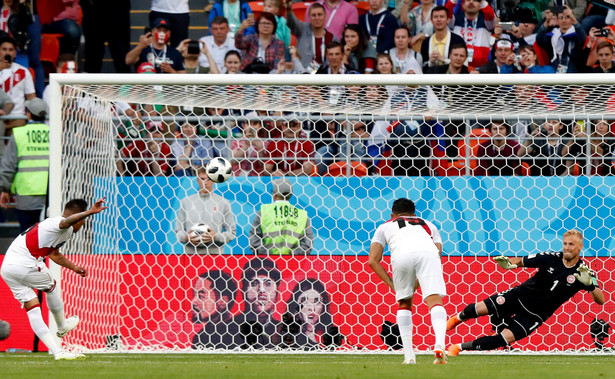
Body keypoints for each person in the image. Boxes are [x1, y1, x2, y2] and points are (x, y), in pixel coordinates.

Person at [447, 229, 606, 356]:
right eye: (565, 243)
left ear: (580, 246)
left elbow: (601, 300)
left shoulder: (584, 272)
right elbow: (522, 261)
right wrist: (510, 265)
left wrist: (590, 285)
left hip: (535, 315)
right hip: (519, 296)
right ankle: (455, 320)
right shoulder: (550, 257)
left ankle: (458, 347)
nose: (567, 247)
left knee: (502, 339)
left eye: (571, 244)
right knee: (475, 309)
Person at [0, 197, 108, 360]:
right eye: (83, 220)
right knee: (51, 286)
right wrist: (90, 212)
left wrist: (74, 268)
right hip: (24, 263)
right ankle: (62, 326)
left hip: (8, 269)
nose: (82, 225)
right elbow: (66, 222)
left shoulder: (56, 230)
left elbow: (55, 254)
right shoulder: (57, 223)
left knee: (33, 309)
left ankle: (57, 352)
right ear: (79, 217)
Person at [368, 198, 447, 365]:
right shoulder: (429, 224)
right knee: (434, 300)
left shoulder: (385, 226)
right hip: (428, 253)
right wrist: (420, 282)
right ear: (415, 214)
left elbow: (373, 260)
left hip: (401, 255)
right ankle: (440, 344)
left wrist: (393, 285)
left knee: (404, 302)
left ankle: (409, 356)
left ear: (392, 214)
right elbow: (437, 252)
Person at [0, 98, 49, 232]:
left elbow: (8, 166)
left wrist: (5, 189)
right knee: (49, 237)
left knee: (27, 237)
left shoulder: (19, 134)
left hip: (26, 194)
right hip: (50, 193)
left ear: (28, 114)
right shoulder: (54, 133)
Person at [174, 166, 237, 255]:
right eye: (202, 179)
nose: (206, 182)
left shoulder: (223, 202)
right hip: (190, 254)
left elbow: (231, 232)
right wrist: (186, 237)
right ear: (197, 180)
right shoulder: (186, 202)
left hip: (215, 255)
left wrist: (215, 237)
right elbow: (178, 230)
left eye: (209, 179)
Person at [249, 178, 313, 256]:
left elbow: (254, 238)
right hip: (294, 264)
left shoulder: (263, 211)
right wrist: (291, 256)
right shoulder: (302, 215)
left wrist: (269, 255)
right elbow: (307, 243)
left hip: (267, 264)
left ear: (274, 194)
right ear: (290, 195)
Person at [232, 258, 283, 349]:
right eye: (254, 283)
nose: (261, 290)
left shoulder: (284, 330)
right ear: (244, 290)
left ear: (277, 292)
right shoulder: (227, 328)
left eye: (268, 284)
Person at [284, 278, 339, 349]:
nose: (312, 308)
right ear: (295, 305)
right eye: (304, 301)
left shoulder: (329, 336)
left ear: (324, 306)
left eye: (317, 301)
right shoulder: (288, 339)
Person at [191, 270, 238, 349]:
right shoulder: (200, 337)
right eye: (194, 295)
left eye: (201, 296)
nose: (193, 302)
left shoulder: (239, 333)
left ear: (223, 301)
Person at [284, 1, 337, 72]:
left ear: (325, 16)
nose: (317, 18)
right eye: (313, 15)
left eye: (320, 15)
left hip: (324, 78)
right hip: (302, 76)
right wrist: (288, 9)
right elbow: (291, 22)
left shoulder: (332, 38)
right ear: (309, 17)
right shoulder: (302, 29)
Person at [81, 0, 131, 73]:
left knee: (121, 53)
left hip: (118, 8)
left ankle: (125, 83)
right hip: (92, 8)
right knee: (93, 53)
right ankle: (91, 82)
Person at [536, 6, 587, 73]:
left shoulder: (576, 34)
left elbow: (582, 38)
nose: (564, 20)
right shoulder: (553, 35)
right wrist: (546, 21)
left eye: (567, 17)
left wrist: (574, 19)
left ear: (572, 19)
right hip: (554, 70)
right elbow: (539, 40)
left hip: (572, 72)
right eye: (561, 18)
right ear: (557, 20)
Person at [445, 0, 495, 68]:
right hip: (458, 67)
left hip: (481, 68)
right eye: (468, 0)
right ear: (463, 5)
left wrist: (482, 1)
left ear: (480, 6)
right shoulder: (455, 19)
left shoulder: (486, 21)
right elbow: (446, 12)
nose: (471, 2)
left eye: (475, 0)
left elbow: (490, 14)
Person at [0, 36, 35, 131]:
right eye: (4, 49)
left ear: (15, 53)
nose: (7, 53)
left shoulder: (23, 71)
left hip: (18, 118)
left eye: (11, 50)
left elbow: (31, 97)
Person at [420, 6, 466, 71]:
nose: (438, 20)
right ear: (432, 20)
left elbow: (463, 65)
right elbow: (423, 67)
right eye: (435, 17)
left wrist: (443, 60)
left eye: (442, 17)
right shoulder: (426, 42)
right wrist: (430, 62)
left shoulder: (458, 40)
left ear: (448, 20)